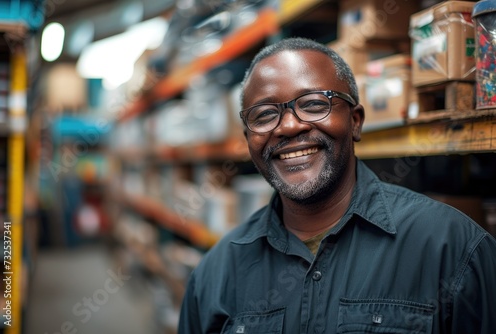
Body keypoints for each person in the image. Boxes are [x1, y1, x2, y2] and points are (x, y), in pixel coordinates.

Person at [177, 37, 496, 333]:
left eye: (315, 104)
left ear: (355, 121)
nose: (289, 126)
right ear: (248, 140)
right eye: (264, 115)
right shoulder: (215, 275)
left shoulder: (452, 248)